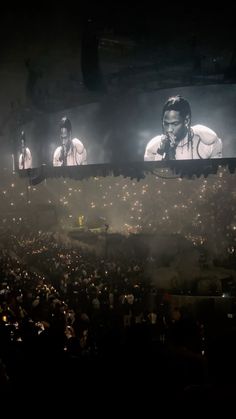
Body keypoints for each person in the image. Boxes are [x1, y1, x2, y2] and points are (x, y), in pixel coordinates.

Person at [144, 95, 222, 161]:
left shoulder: (206, 141)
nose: (169, 129)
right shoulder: (153, 148)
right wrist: (161, 152)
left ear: (187, 120)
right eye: (166, 124)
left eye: (175, 123)